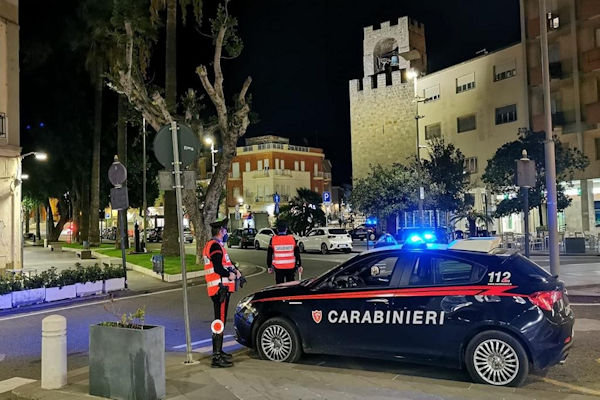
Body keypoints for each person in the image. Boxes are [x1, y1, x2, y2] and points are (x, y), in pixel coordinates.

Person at [202, 218, 241, 368]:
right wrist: (229, 275)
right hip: (220, 289)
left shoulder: (216, 245)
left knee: (221, 320)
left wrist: (235, 271)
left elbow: (226, 264)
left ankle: (219, 351)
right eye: (225, 230)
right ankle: (216, 357)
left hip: (219, 289)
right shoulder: (215, 246)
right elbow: (218, 268)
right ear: (220, 231)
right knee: (219, 321)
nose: (226, 233)